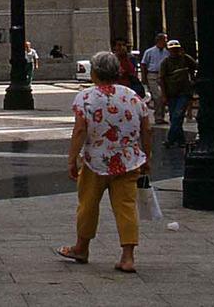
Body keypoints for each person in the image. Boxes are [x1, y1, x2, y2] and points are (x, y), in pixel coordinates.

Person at [58, 50, 151, 274]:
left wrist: (72, 158)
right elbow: (146, 128)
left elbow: (80, 129)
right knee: (126, 206)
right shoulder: (131, 95)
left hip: (95, 161)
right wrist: (147, 156)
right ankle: (127, 256)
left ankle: (81, 247)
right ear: (117, 71)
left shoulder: (86, 97)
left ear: (94, 73)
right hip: (128, 160)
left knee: (88, 204)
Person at [160, 40, 196, 148]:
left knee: (177, 115)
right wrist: (164, 95)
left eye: (176, 49)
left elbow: (195, 66)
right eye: (172, 50)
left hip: (184, 92)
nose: (175, 52)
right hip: (171, 93)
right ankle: (180, 140)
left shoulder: (186, 59)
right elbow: (162, 79)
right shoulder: (165, 62)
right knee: (174, 117)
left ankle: (170, 139)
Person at [139, 33, 169, 123]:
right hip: (153, 75)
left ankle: (161, 116)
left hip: (163, 76)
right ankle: (158, 117)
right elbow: (144, 64)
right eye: (164, 40)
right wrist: (144, 78)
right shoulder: (149, 52)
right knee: (157, 96)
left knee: (163, 95)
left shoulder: (167, 52)